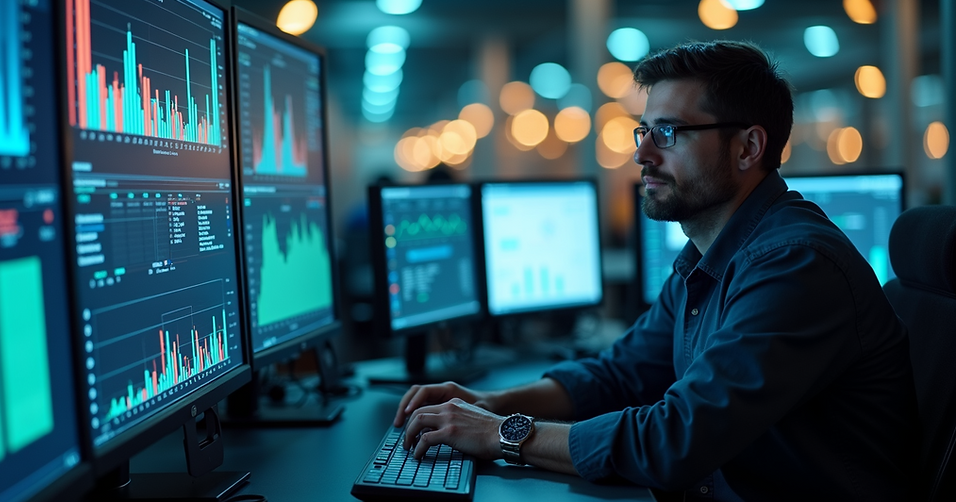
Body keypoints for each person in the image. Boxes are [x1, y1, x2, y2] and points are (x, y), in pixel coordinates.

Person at [393, 40, 918, 501]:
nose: (641, 153)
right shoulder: (707, 256)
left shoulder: (795, 264)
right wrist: (489, 403)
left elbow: (674, 441)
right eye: (643, 130)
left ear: (748, 148)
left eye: (668, 132)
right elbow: (621, 373)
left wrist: (501, 433)